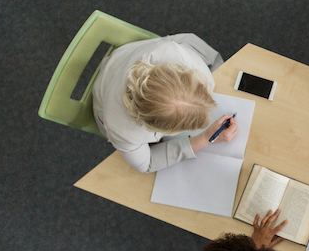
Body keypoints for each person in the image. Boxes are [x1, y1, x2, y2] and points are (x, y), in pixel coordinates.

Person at [92, 34, 238, 173]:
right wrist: (205, 138)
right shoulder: (122, 129)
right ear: (156, 128)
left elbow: (210, 58)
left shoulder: (180, 56)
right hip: (105, 89)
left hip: (127, 56)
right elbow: (146, 164)